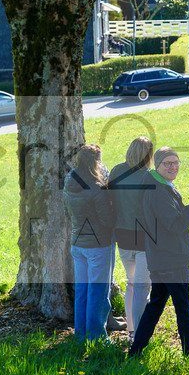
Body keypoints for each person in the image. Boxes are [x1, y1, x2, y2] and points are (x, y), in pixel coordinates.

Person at [128, 147, 189, 356]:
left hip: (161, 258)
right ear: (157, 165)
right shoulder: (157, 191)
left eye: (176, 162)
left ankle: (136, 351)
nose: (173, 167)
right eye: (168, 163)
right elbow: (176, 224)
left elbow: (172, 221)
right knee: (184, 308)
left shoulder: (160, 185)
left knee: (155, 305)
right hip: (172, 260)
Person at [64, 144, 115, 343]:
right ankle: (97, 337)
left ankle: (80, 333)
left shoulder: (69, 180)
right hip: (98, 244)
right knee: (99, 291)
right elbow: (106, 220)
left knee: (83, 290)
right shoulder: (96, 187)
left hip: (77, 242)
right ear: (96, 161)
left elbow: (66, 210)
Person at [109, 136, 154, 338]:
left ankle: (131, 329)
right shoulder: (149, 176)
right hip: (143, 236)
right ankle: (138, 333)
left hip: (122, 234)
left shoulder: (116, 171)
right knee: (143, 287)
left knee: (132, 282)